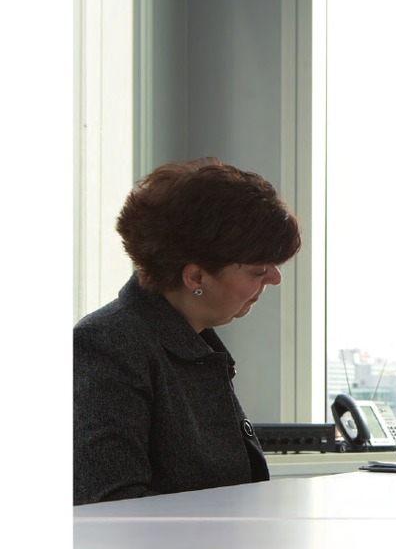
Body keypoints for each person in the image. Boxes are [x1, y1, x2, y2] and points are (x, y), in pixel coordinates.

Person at [74, 157, 301, 505]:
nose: (275, 277)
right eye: (259, 270)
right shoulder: (107, 345)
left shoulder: (194, 346)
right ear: (195, 277)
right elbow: (113, 506)